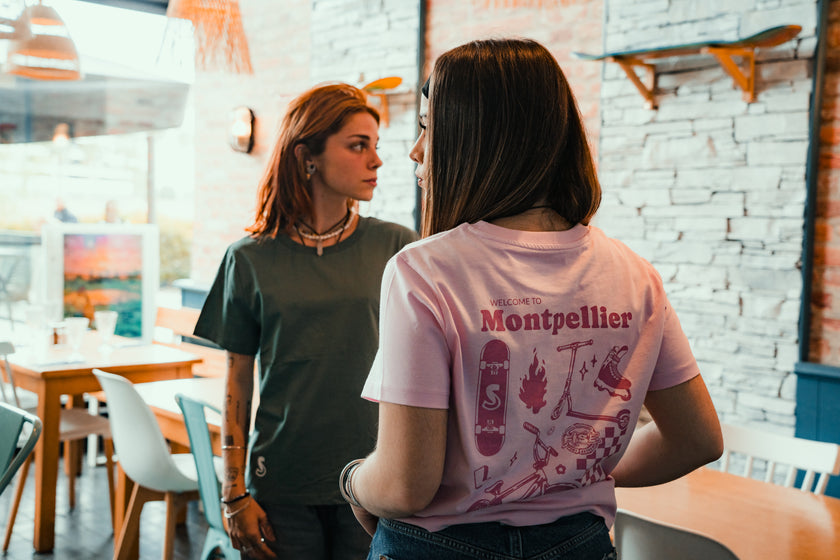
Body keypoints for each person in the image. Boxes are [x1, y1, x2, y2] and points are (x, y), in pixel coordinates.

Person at [341, 38, 724, 559]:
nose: (415, 149)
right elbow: (697, 440)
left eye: (428, 126)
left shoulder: (422, 270)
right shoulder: (634, 275)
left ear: (474, 137)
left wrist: (354, 481)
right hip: (580, 544)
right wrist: (571, 471)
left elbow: (407, 486)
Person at [193, 83, 419, 559]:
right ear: (307, 156)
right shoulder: (248, 259)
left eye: (375, 147)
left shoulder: (397, 247)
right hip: (281, 484)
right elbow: (236, 382)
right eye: (359, 146)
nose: (376, 161)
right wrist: (233, 493)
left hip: (375, 478)